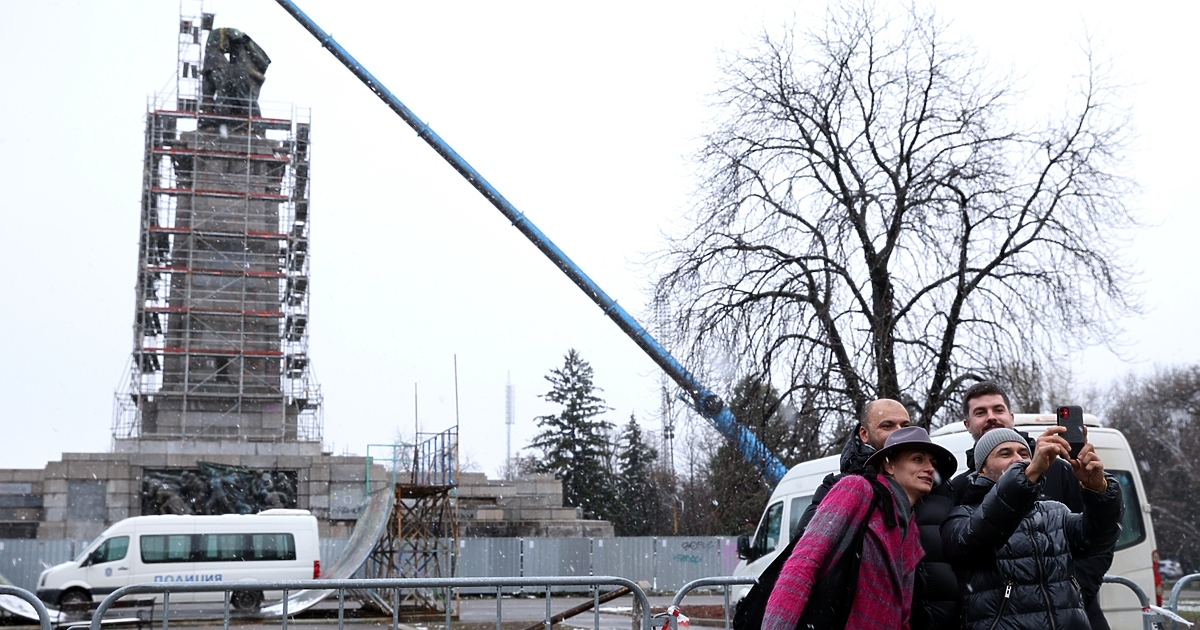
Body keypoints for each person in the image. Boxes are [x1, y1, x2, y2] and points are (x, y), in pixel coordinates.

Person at [949, 381, 1117, 629]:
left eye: (998, 409)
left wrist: (1100, 490)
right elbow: (974, 541)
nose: (991, 418)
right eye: (980, 412)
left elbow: (1097, 539)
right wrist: (1027, 476)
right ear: (982, 468)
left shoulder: (1059, 476)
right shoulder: (960, 491)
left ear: (1012, 416)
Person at [762, 426, 957, 630]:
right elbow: (802, 564)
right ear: (889, 466)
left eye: (932, 463)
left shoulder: (910, 532)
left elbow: (902, 616)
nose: (930, 468)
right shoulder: (857, 489)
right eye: (918, 459)